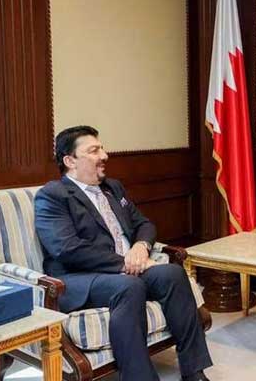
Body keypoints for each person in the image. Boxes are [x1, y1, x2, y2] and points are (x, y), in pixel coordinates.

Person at [35, 126, 212, 381]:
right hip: (81, 278)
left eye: (102, 148)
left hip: (127, 270)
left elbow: (144, 224)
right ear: (70, 161)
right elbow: (66, 248)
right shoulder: (53, 195)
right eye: (94, 151)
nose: (104, 155)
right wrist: (124, 263)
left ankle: (194, 372)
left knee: (172, 274)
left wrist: (141, 247)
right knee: (129, 286)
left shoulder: (113, 188)